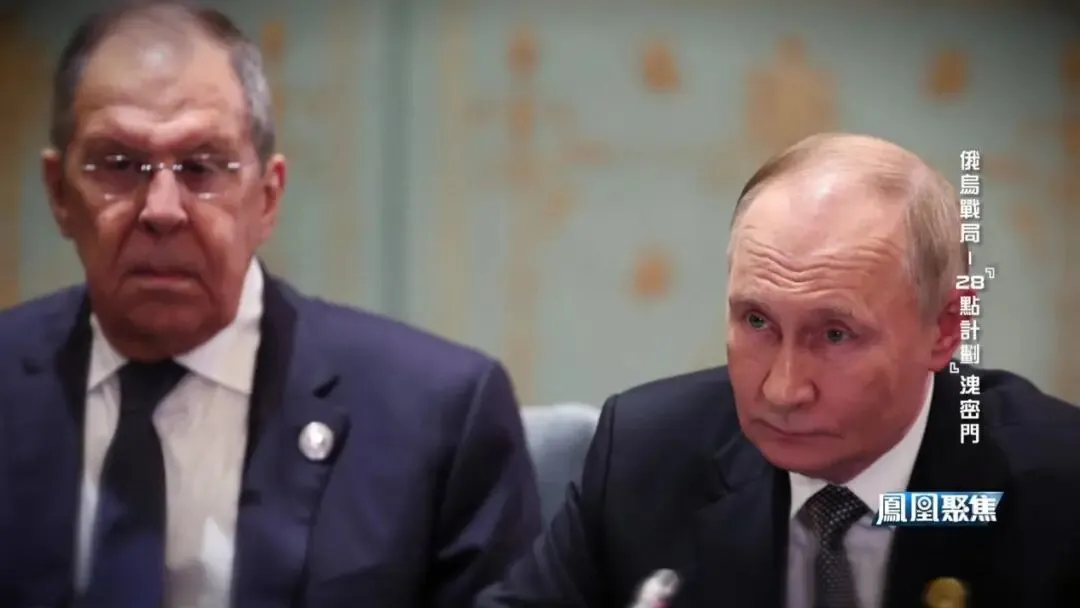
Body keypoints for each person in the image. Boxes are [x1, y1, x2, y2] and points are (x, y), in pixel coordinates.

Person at [0, 2, 540, 606]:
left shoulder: (439, 417)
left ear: (268, 197)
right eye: (119, 165)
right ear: (59, 193)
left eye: (203, 166)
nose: (162, 209)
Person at [477, 133, 1080, 607]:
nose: (783, 389)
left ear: (945, 328)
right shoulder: (645, 454)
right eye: (757, 321)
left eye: (836, 334)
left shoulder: (1058, 485)